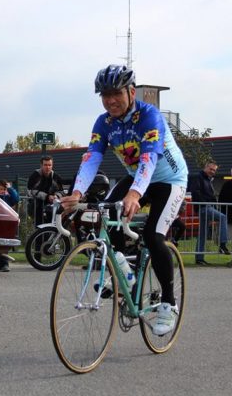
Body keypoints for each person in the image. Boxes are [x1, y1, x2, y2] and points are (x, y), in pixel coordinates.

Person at [60, 64, 188, 336]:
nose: (110, 101)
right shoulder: (104, 123)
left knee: (154, 237)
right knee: (105, 219)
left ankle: (168, 302)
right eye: (104, 95)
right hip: (138, 178)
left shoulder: (149, 116)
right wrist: (77, 193)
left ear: (131, 91)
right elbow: (92, 157)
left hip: (169, 180)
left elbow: (148, 157)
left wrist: (135, 194)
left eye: (115, 93)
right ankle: (127, 277)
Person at [189, 161, 230, 265]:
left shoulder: (208, 180)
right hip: (204, 207)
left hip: (206, 207)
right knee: (223, 217)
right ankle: (222, 244)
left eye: (214, 170)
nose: (212, 171)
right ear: (205, 167)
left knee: (202, 234)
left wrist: (214, 207)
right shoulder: (199, 177)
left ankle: (199, 259)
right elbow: (196, 192)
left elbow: (211, 197)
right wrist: (205, 204)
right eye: (211, 169)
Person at [27, 155, 65, 226]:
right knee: (38, 227)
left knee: (51, 226)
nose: (48, 167)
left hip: (52, 206)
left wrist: (56, 196)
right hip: (36, 206)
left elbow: (61, 191)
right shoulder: (35, 175)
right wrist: (47, 196)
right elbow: (30, 191)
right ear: (41, 165)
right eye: (45, 165)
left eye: (50, 165)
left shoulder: (56, 177)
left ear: (52, 165)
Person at [0, 179, 20, 272]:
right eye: (1, 189)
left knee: (4, 244)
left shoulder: (8, 198)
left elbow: (16, 199)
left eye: (4, 189)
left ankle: (4, 263)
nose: (3, 191)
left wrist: (10, 189)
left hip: (6, 224)